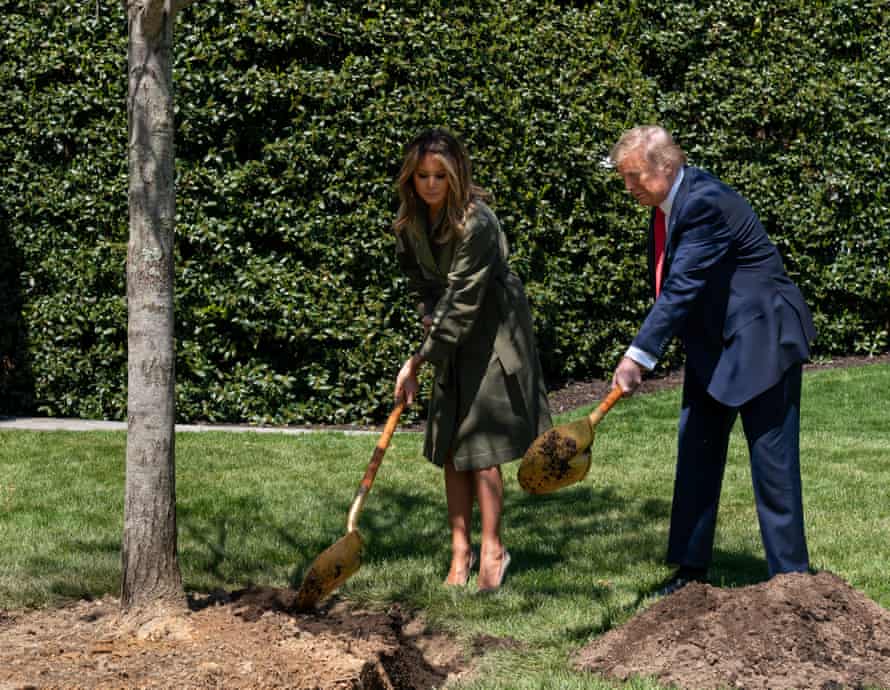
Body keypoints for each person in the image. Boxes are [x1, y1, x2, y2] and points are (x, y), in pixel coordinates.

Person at [609, 125, 816, 595]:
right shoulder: (665, 207)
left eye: (635, 175)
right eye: (624, 177)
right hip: (714, 346)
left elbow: (681, 287)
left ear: (666, 166)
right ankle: (689, 572)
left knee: (773, 463)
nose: (629, 186)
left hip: (762, 338)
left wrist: (637, 357)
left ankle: (792, 581)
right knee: (697, 451)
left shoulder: (703, 203)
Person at [392, 128, 552, 592]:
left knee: (480, 445)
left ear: (456, 174)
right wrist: (429, 322)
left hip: (491, 331)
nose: (430, 184)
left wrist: (419, 361)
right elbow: (424, 285)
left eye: (439, 175)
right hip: (450, 330)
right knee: (451, 446)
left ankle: (493, 550)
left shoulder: (476, 223)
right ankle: (459, 553)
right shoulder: (411, 224)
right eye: (421, 175)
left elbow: (464, 299)